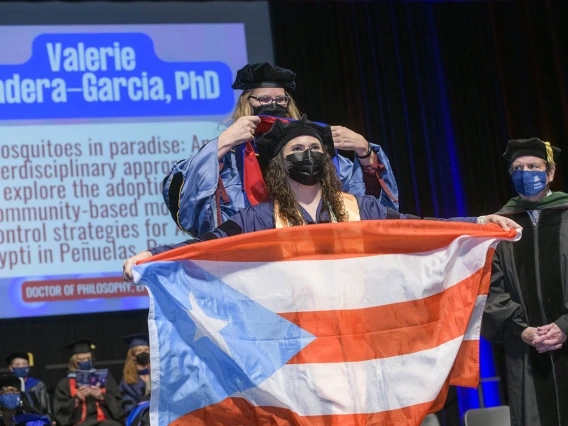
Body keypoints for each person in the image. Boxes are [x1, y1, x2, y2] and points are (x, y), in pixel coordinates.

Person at [124, 115, 520, 277]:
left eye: (315, 149)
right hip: (295, 332)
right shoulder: (257, 219)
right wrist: (154, 255)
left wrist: (478, 222)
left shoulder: (359, 208)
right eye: (295, 151)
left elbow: (419, 228)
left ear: (328, 160)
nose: (307, 156)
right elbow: (205, 246)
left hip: (356, 322)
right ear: (278, 165)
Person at [162, 62, 399, 237]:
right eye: (263, 99)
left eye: (280, 99)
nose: (273, 106)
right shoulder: (230, 155)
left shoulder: (311, 149)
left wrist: (365, 151)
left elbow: (367, 208)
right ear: (247, 102)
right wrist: (221, 144)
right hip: (249, 252)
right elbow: (188, 205)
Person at [481, 138, 568, 426]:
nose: (525, 172)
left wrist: (564, 326)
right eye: (517, 167)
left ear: (550, 172)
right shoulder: (500, 225)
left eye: (533, 166)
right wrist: (521, 330)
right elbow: (488, 288)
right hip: (526, 349)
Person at [53, 340, 122, 426]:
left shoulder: (105, 378)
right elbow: (60, 414)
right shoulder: (64, 384)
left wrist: (102, 397)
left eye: (88, 359)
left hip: (104, 422)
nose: (86, 361)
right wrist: (77, 399)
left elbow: (118, 406)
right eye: (81, 360)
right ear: (74, 361)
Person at [5, 353, 50, 419]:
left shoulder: (37, 384)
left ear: (28, 367)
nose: (21, 367)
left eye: (24, 364)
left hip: (35, 420)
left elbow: (45, 406)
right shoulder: (6, 385)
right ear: (11, 367)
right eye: (17, 364)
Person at [118, 334, 150, 418]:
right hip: (138, 415)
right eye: (139, 350)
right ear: (132, 355)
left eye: (146, 350)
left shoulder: (157, 374)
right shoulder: (127, 380)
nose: (144, 353)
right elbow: (127, 404)